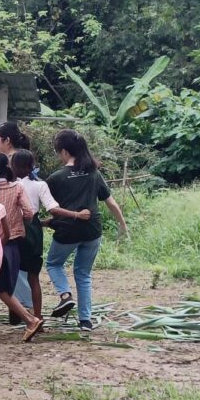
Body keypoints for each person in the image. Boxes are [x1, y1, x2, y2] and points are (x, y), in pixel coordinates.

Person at [45, 129, 128, 331]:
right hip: (92, 231)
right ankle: (86, 321)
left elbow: (48, 205)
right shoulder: (94, 173)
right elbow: (111, 203)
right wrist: (122, 224)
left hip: (67, 232)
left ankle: (65, 295)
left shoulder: (56, 178)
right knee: (83, 274)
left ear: (64, 152)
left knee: (54, 264)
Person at [9, 149, 90, 321]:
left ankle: (16, 313)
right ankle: (37, 318)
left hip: (13, 229)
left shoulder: (11, 185)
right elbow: (53, 209)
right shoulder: (40, 185)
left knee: (11, 273)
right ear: (32, 166)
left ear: (13, 166)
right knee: (33, 277)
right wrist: (76, 214)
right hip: (33, 231)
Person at [0, 153, 45, 339]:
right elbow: (29, 213)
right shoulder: (17, 187)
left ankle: (29, 319)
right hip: (13, 242)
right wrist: (15, 218)